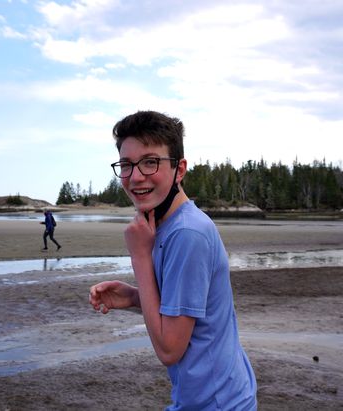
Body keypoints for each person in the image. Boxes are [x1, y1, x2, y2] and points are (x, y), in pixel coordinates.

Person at [89, 111, 257, 410]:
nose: (135, 177)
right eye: (126, 165)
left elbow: (169, 350)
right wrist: (135, 298)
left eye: (150, 162)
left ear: (179, 169)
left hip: (218, 403)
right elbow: (193, 310)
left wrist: (140, 256)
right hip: (209, 397)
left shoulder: (187, 233)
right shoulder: (170, 224)